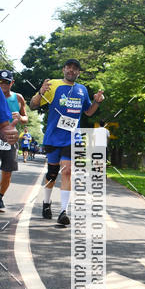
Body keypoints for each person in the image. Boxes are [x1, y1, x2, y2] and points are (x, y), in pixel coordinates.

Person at [30, 59, 104, 226]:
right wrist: (40, 92)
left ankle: (63, 211)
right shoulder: (53, 85)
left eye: (75, 68)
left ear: (78, 72)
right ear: (64, 69)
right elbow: (33, 105)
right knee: (52, 173)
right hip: (53, 136)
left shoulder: (82, 90)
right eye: (69, 67)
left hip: (72, 137)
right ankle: (46, 203)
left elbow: (89, 112)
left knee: (68, 171)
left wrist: (97, 102)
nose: (71, 70)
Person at [0, 71, 27, 212]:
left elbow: (25, 117)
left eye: (6, 82)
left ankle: (0, 196)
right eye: (1, 81)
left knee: (7, 171)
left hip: (10, 136)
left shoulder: (18, 97)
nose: (4, 84)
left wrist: (21, 118)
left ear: (12, 83)